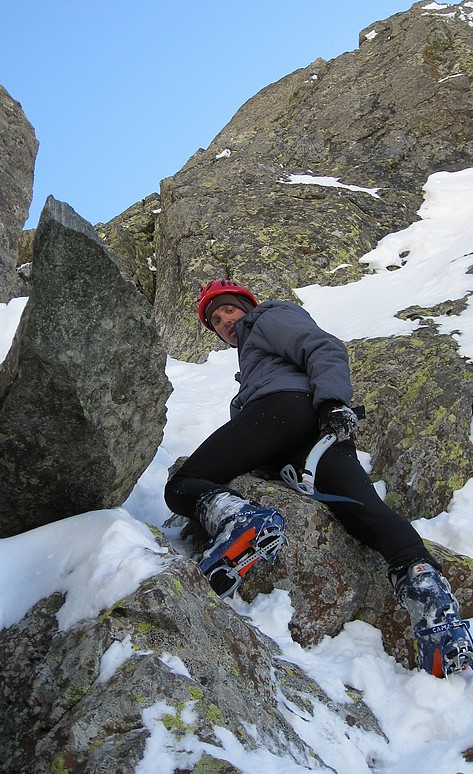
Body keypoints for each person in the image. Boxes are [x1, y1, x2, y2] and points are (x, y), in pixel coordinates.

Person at [164, 278, 473, 676]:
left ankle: (241, 521)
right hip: (316, 435)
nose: (224, 320)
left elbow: (323, 347)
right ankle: (435, 611)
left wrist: (331, 400)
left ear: (245, 305)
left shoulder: (267, 319)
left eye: (227, 309)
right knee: (368, 515)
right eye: (215, 318)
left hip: (287, 412)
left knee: (182, 484)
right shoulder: (254, 358)